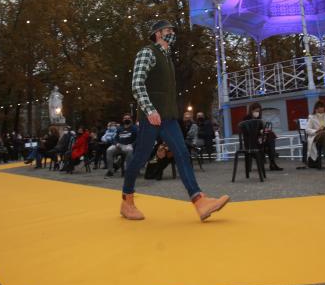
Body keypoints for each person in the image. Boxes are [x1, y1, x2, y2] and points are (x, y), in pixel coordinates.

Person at [120, 20, 229, 222]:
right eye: (168, 30)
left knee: (181, 153)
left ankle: (199, 201)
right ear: (158, 33)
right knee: (140, 158)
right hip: (151, 117)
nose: (172, 33)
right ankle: (127, 201)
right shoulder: (148, 53)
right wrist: (150, 109)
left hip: (168, 118)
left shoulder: (167, 58)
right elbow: (137, 84)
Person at [243, 102, 282, 171]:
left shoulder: (259, 119)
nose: (257, 113)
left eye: (259, 111)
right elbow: (247, 132)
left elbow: (262, 129)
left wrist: (263, 131)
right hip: (250, 141)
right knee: (270, 144)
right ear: (251, 110)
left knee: (270, 138)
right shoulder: (246, 119)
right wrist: (259, 132)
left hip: (259, 140)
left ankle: (272, 160)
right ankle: (272, 162)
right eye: (256, 111)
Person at [105, 113, 137, 178]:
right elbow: (115, 138)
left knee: (130, 150)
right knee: (109, 150)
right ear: (123, 120)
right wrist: (116, 143)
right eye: (125, 118)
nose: (127, 119)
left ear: (131, 119)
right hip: (119, 145)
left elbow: (138, 139)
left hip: (128, 145)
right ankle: (110, 171)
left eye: (128, 118)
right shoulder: (120, 128)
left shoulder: (134, 128)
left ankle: (127, 170)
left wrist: (132, 144)